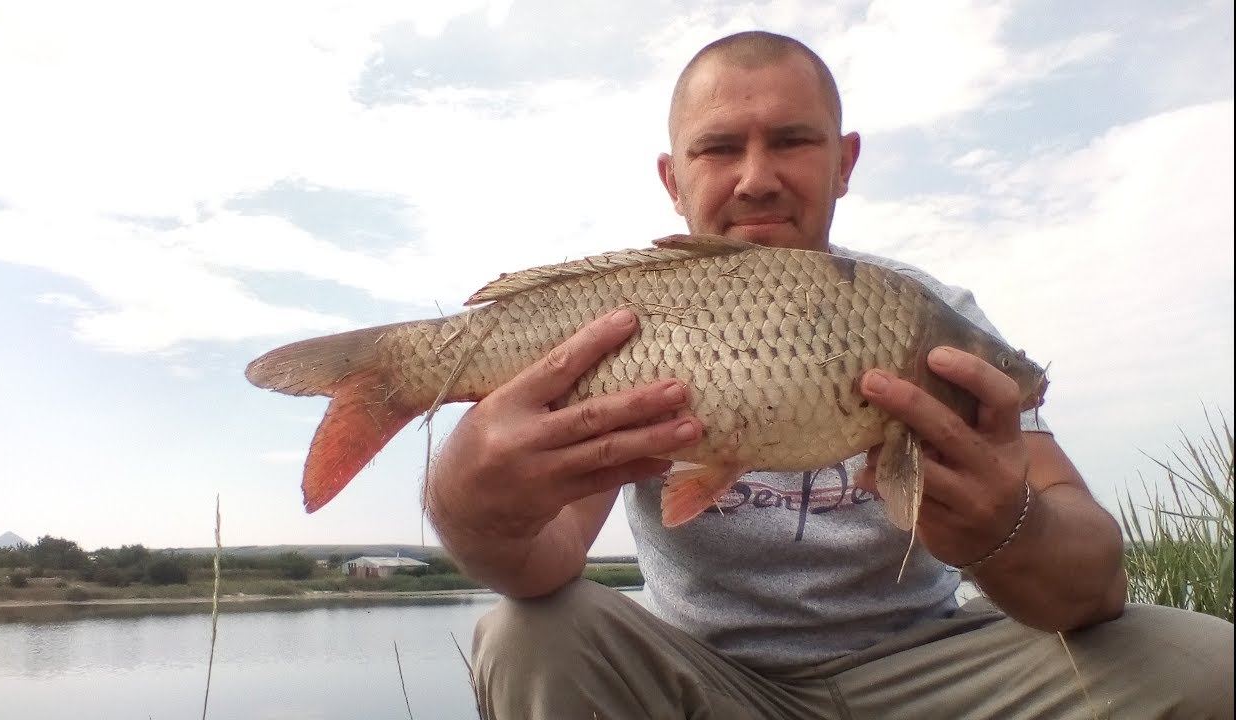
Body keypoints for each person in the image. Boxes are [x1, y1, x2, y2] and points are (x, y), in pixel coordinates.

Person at [424, 30, 1234, 719]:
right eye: (717, 148)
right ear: (672, 180)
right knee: (524, 634)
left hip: (929, 669)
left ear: (844, 162)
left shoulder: (924, 312)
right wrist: (467, 508)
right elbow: (548, 560)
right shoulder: (621, 319)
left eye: (791, 140)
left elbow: (1092, 588)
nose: (756, 178)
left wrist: (1007, 525)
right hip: (706, 675)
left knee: (1210, 667)